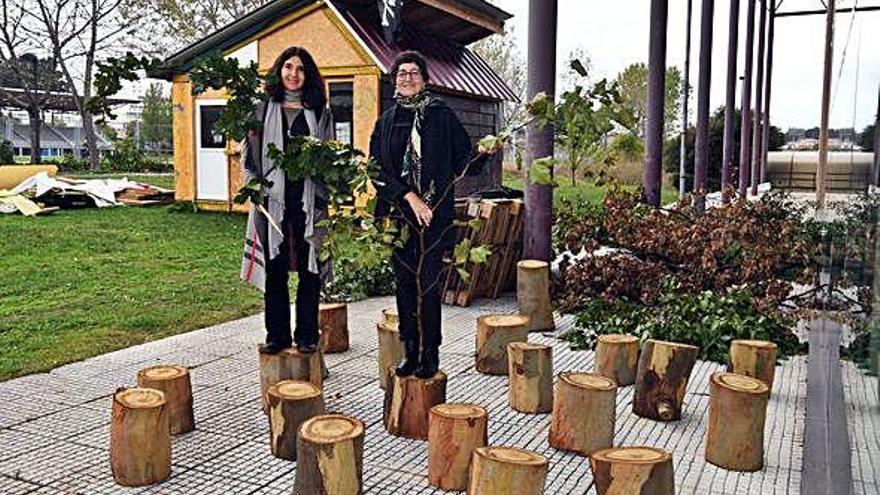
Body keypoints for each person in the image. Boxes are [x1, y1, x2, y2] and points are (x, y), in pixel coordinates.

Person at [370, 50, 496, 379]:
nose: (407, 78)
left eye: (414, 72)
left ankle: (431, 352)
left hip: (433, 218)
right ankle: (410, 349)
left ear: (425, 79)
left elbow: (462, 162)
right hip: (398, 218)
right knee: (404, 285)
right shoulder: (385, 122)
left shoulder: (442, 115)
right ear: (394, 80)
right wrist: (409, 196)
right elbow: (377, 172)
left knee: (427, 286)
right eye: (401, 73)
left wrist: (484, 152)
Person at [240, 46, 334, 355]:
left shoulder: (320, 111)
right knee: (275, 268)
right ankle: (277, 335)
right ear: (279, 70)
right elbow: (248, 156)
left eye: (301, 69)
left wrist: (331, 185)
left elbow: (330, 155)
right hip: (272, 201)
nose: (294, 74)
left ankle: (307, 335)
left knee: (310, 271)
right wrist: (253, 186)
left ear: (309, 76)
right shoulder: (262, 109)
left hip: (310, 202)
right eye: (288, 67)